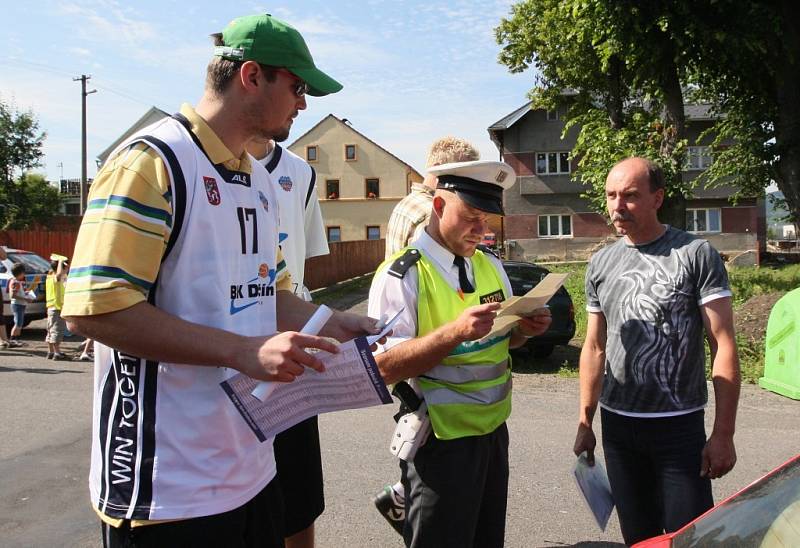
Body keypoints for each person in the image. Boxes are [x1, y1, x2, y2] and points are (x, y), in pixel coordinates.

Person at [62, 13, 380, 547]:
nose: (304, 104)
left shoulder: (256, 179)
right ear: (251, 76)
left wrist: (336, 321)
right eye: (298, 86)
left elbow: (268, 295)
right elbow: (93, 309)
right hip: (168, 491)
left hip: (251, 471)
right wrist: (242, 351)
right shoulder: (151, 162)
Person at [369, 160, 552, 548]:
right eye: (470, 217)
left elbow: (506, 344)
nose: (482, 230)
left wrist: (523, 330)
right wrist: (454, 333)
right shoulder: (402, 274)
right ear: (438, 207)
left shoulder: (489, 265)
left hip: (492, 436)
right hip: (439, 443)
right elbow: (382, 367)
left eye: (486, 219)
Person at [572, 157, 741, 545]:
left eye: (630, 196)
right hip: (618, 428)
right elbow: (595, 346)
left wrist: (723, 434)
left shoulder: (696, 254)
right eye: (612, 195)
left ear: (657, 198)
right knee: (639, 538)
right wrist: (585, 421)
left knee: (690, 538)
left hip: (677, 427)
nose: (617, 206)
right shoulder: (601, 263)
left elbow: (723, 343)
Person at [247, 136, 329, 548]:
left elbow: (301, 263)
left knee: (299, 490)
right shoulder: (198, 161)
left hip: (292, 340)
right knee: (240, 496)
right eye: (295, 86)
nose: (302, 102)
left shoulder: (302, 172)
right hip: (233, 350)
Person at [384, 137, 480, 259]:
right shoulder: (434, 213)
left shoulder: (407, 202)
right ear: (437, 170)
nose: (467, 182)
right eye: (461, 174)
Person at [45, 257, 70, 360]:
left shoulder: (49, 276)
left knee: (50, 330)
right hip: (57, 307)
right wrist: (60, 262)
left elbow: (60, 273)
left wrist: (64, 265)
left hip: (51, 307)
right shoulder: (56, 277)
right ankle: (57, 353)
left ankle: (50, 351)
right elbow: (59, 274)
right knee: (57, 330)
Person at [8, 263, 31, 347]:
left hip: (20, 304)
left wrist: (26, 294)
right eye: (23, 273)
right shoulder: (15, 282)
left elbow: (19, 293)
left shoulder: (18, 281)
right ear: (20, 273)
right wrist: (25, 298)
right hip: (17, 305)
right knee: (18, 323)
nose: (24, 274)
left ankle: (17, 339)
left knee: (19, 323)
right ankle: (12, 340)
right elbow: (12, 295)